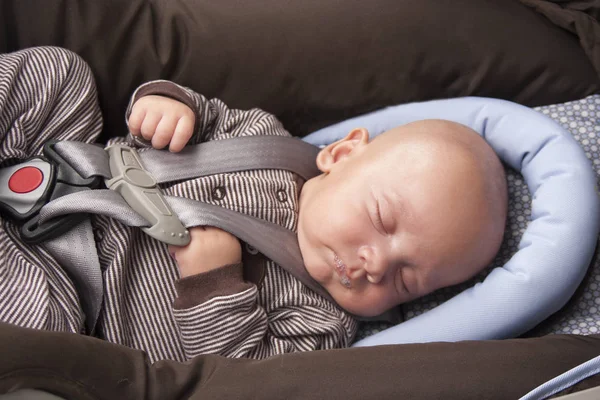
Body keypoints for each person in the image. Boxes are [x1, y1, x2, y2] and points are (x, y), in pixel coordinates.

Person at [0, 46, 507, 363]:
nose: (377, 263)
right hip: (60, 167)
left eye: (405, 280)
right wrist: (166, 105)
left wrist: (215, 286)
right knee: (59, 72)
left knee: (40, 345)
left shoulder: (322, 326)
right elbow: (202, 113)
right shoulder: (264, 137)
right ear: (343, 153)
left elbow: (240, 374)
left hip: (66, 293)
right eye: (381, 219)